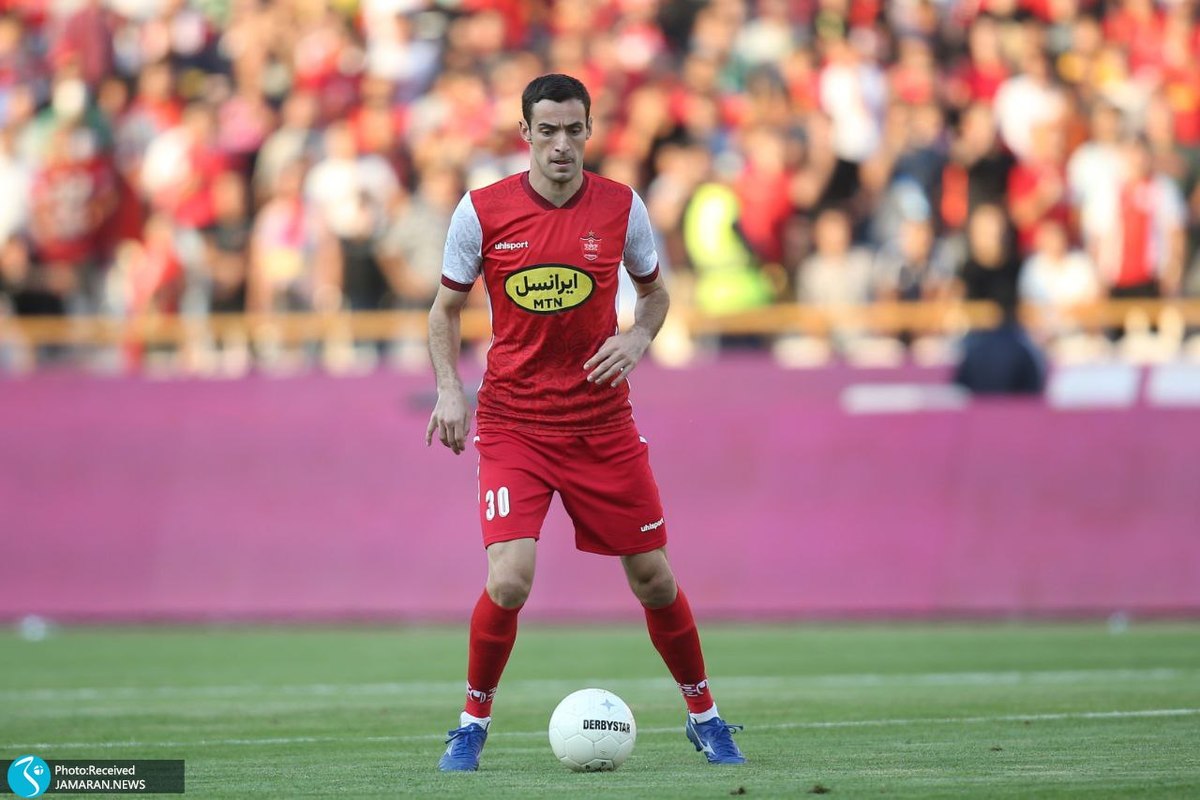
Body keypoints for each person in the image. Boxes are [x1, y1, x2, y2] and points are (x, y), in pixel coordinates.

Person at [425, 74, 746, 772]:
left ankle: (706, 717)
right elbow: (444, 310)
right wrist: (450, 388)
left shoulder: (621, 206)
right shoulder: (481, 211)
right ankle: (470, 727)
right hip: (514, 423)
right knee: (509, 580)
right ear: (525, 134)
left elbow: (656, 295)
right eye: (548, 131)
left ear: (589, 131)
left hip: (601, 423)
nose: (561, 145)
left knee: (654, 579)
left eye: (574, 130)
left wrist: (637, 338)